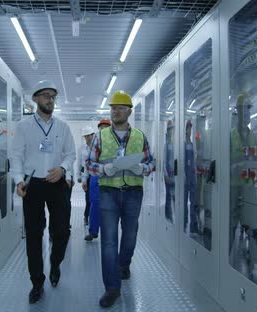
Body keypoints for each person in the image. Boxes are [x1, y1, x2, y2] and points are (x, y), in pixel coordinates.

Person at [86, 91, 155, 308]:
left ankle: (124, 264)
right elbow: (89, 164)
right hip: (109, 193)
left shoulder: (140, 136)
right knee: (108, 241)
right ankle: (112, 288)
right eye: (113, 107)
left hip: (134, 192)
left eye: (120, 107)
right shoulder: (101, 136)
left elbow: (152, 163)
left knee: (130, 235)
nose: (115, 111)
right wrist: (104, 168)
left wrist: (141, 168)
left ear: (129, 111)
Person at [10, 80, 76, 304]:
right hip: (33, 185)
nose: (50, 99)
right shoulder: (23, 127)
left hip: (56, 183)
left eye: (53, 96)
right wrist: (19, 180)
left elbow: (71, 154)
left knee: (61, 231)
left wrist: (63, 168)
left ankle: (55, 263)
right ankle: (37, 282)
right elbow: (16, 155)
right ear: (36, 99)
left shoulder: (63, 127)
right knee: (34, 234)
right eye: (46, 95)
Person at [229, 91, 256, 250]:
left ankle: (250, 256)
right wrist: (236, 166)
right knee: (232, 221)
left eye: (249, 109)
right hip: (234, 185)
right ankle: (228, 253)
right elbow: (225, 163)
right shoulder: (231, 136)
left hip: (249, 186)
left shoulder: (253, 135)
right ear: (238, 112)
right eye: (244, 109)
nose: (247, 113)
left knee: (250, 220)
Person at [84, 119, 111, 241]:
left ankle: (108, 232)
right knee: (94, 204)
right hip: (95, 177)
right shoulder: (95, 142)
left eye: (106, 127)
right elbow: (87, 162)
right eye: (101, 127)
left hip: (111, 177)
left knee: (109, 207)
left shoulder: (114, 143)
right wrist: (85, 179)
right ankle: (93, 231)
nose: (103, 129)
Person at [78, 126, 96, 226]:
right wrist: (79, 176)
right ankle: (86, 216)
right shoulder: (81, 148)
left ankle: (94, 218)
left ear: (93, 135)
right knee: (88, 198)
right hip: (87, 176)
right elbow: (81, 164)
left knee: (95, 199)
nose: (87, 138)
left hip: (95, 175)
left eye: (89, 136)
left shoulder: (97, 147)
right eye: (85, 136)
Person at [183, 120, 198, 233]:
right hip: (185, 175)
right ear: (185, 130)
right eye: (188, 128)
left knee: (193, 201)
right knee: (184, 201)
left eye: (191, 129)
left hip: (192, 175)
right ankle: (184, 223)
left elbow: (193, 160)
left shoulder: (191, 144)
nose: (190, 130)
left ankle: (193, 225)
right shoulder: (183, 144)